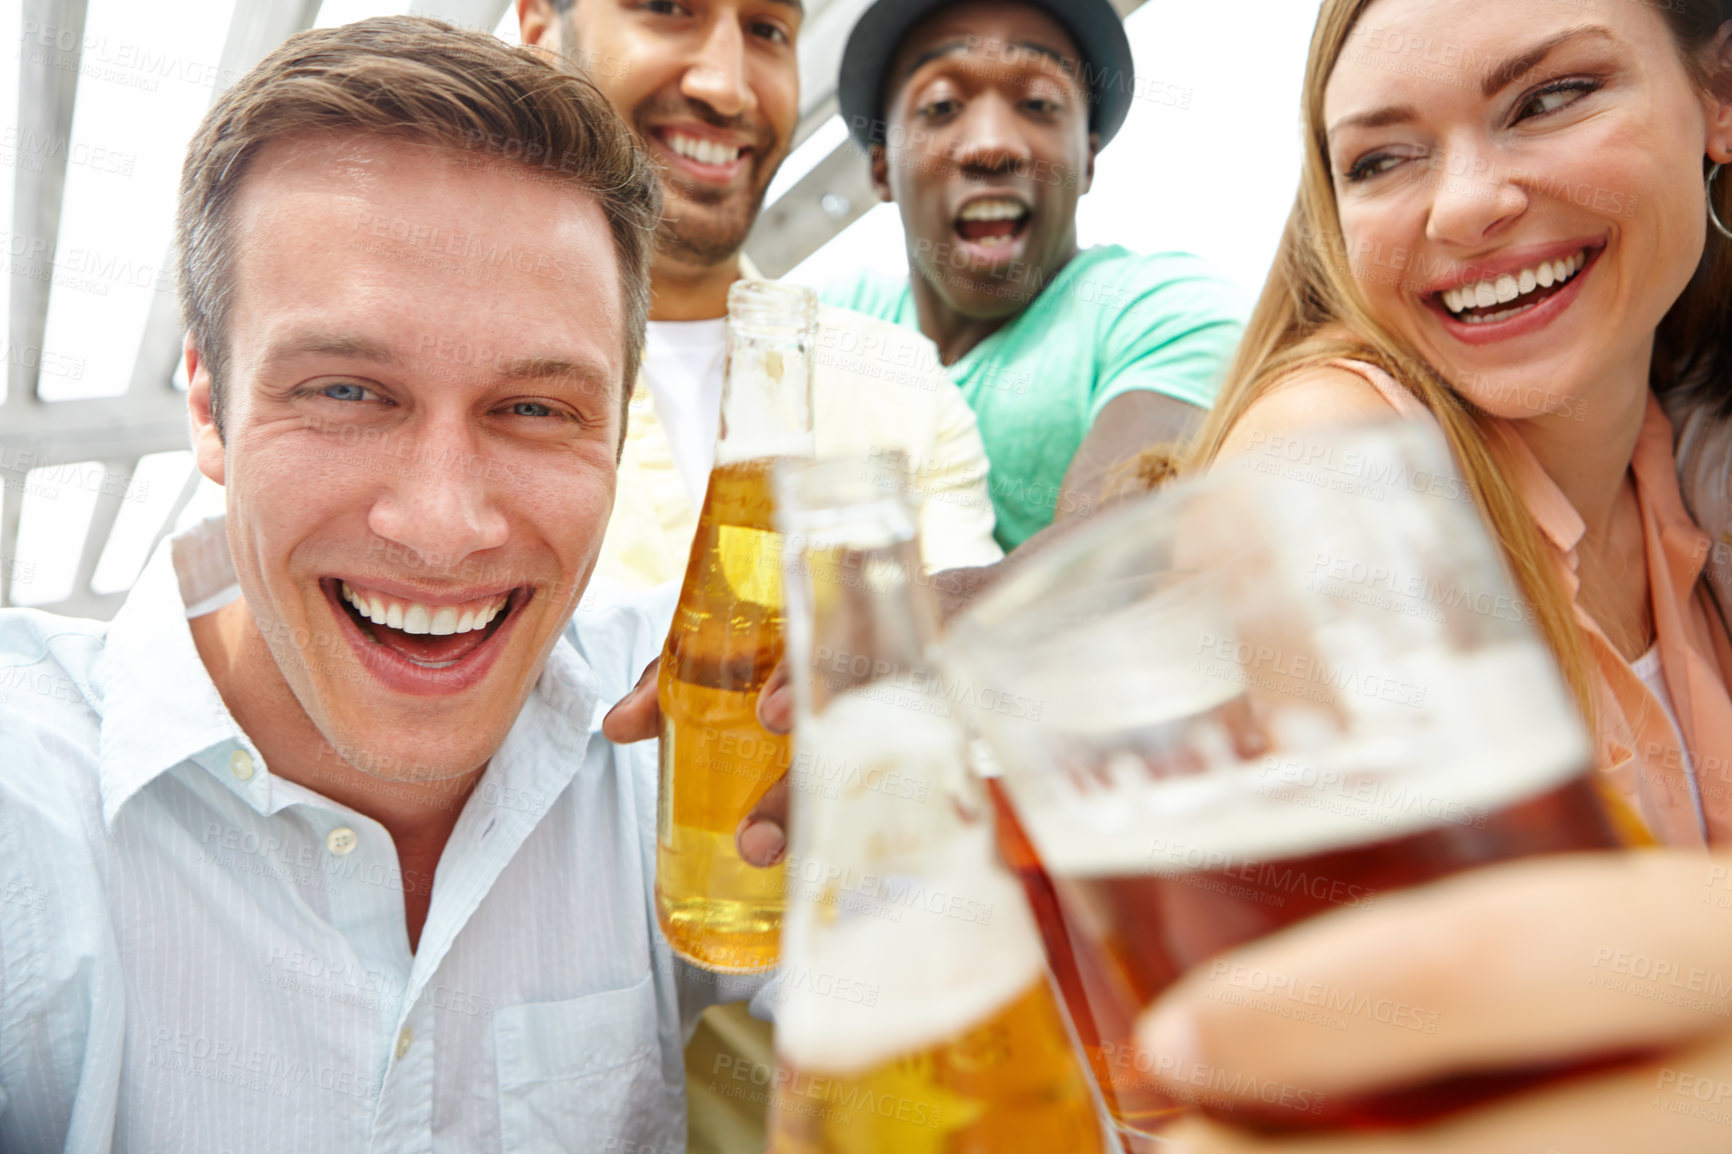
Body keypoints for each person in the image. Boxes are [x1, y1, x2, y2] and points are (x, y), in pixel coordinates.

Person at [0, 18, 768, 1152]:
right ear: (208, 402)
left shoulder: (705, 730)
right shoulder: (30, 806)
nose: (445, 525)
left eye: (536, 407)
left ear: (618, 425)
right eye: (349, 392)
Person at [1129, 0, 1732, 1147]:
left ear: (1718, 97)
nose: (1463, 205)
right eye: (1382, 158)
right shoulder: (1331, 448)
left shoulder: (1684, 461)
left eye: (1549, 97)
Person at [516, 0, 1003, 594]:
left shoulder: (903, 389)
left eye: (768, 30)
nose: (727, 88)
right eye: (667, 8)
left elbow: (958, 660)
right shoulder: (426, 366)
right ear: (540, 34)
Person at [825, 0, 1247, 552]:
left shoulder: (1164, 313)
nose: (992, 145)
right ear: (882, 168)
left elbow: (1097, 573)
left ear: (1087, 161)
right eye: (942, 105)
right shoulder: (832, 323)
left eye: (1040, 103)